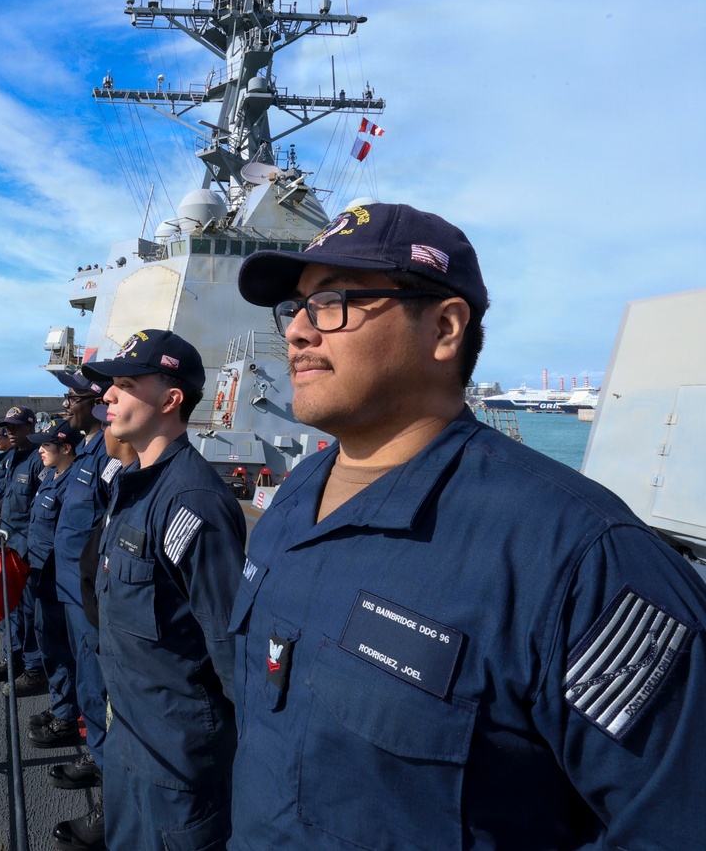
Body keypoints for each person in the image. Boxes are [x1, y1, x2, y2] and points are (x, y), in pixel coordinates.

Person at [228, 199, 706, 850]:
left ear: (445, 328)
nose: (298, 333)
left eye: (332, 301)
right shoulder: (293, 497)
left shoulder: (579, 557)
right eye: (296, 308)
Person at [81, 330, 247, 851]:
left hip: (178, 760)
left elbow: (231, 648)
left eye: (127, 384)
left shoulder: (191, 502)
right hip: (131, 737)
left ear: (171, 399)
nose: (108, 395)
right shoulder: (133, 483)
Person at [48, 371, 114, 851]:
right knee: (87, 683)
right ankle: (96, 756)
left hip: (90, 597)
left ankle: (113, 796)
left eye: (74, 397)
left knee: (99, 687)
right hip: (71, 590)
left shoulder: (107, 455)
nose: (67, 404)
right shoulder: (87, 452)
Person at [22, 418, 85, 750]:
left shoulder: (74, 485)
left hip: (58, 581)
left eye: (47, 445)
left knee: (61, 649)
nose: (40, 451)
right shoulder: (51, 475)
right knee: (48, 644)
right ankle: (63, 704)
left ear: (66, 448)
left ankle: (67, 717)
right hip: (40, 577)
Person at [0, 406, 47, 691]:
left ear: (31, 427)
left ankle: (34, 669)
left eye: (17, 427)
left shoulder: (39, 461)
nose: (11, 432)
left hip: (29, 551)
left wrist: (33, 549)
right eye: (9, 427)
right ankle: (13, 659)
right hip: (8, 544)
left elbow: (43, 510)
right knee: (11, 608)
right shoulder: (9, 458)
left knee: (30, 611)